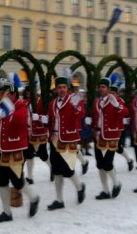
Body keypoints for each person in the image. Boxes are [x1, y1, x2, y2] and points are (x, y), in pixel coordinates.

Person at [0, 78, 39, 223]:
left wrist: (6, 113)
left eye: (3, 92)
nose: (0, 94)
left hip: (15, 148)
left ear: (12, 93)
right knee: (2, 181)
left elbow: (20, 120)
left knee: (17, 181)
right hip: (0, 148)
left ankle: (34, 198)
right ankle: (7, 212)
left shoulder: (21, 105)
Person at [46, 76, 85, 211]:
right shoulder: (52, 103)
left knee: (68, 170)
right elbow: (51, 120)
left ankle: (80, 187)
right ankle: (59, 200)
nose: (62, 89)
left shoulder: (74, 100)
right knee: (56, 170)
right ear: (56, 89)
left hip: (68, 138)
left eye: (64, 87)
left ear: (67, 88)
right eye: (59, 87)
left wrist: (76, 107)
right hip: (55, 139)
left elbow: (80, 115)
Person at [91, 77, 129, 200]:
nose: (101, 89)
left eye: (103, 87)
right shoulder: (96, 101)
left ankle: (116, 183)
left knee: (108, 163)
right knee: (100, 165)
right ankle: (105, 190)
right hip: (98, 136)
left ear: (108, 89)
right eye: (100, 87)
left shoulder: (115, 100)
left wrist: (117, 105)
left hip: (111, 136)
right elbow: (95, 116)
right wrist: (90, 122)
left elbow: (125, 112)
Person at [24, 85, 50, 185]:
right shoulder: (26, 103)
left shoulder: (42, 101)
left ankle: (52, 168)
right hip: (29, 133)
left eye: (30, 91)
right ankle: (30, 177)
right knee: (29, 155)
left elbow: (47, 117)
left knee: (43, 155)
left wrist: (38, 117)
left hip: (40, 132)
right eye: (28, 92)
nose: (29, 93)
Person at [109, 84, 134, 171]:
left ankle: (129, 160)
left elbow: (125, 112)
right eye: (110, 93)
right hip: (108, 128)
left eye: (113, 93)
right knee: (111, 147)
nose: (111, 95)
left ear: (117, 94)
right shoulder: (106, 101)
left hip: (118, 128)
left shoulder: (120, 101)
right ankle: (111, 165)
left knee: (116, 147)